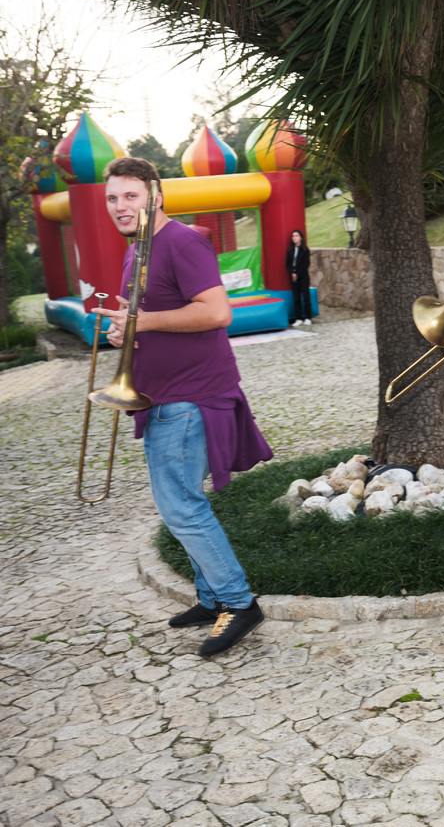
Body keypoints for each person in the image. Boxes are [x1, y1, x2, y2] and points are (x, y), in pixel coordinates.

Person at [95, 157, 273, 658]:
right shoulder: (138, 249)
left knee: (181, 506)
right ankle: (212, 596)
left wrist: (143, 323)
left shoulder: (182, 242)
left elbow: (216, 311)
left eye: (130, 195)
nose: (120, 206)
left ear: (156, 195)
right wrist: (123, 330)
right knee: (178, 502)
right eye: (112, 198)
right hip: (162, 395)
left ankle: (238, 603)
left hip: (189, 396)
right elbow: (146, 316)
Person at [287, 228, 312, 325]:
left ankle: (308, 317)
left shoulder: (305, 250)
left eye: (296, 236)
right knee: (296, 298)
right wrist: (292, 273)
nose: (294, 238)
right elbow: (287, 264)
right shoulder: (290, 250)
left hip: (303, 276)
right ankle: (299, 318)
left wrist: (298, 274)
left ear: (301, 237)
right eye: (293, 236)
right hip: (293, 277)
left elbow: (306, 264)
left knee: (305, 297)